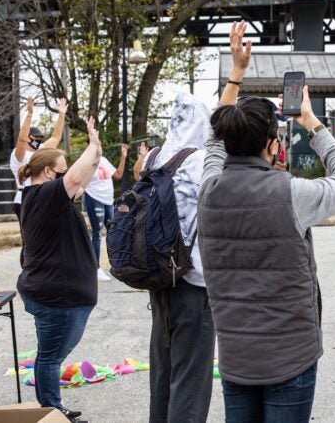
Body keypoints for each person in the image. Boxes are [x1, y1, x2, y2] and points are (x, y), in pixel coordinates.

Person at [198, 21, 335, 422]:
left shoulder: (208, 190)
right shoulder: (292, 194)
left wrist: (236, 73)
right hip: (291, 354)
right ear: (274, 145)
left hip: (235, 354)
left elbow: (214, 139)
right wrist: (312, 122)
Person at [16, 117, 101, 422]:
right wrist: (90, 146)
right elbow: (76, 180)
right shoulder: (44, 195)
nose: (67, 172)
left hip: (56, 292)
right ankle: (52, 411)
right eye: (63, 168)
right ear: (49, 172)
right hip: (57, 296)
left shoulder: (47, 198)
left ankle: (51, 407)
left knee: (50, 355)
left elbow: (83, 179)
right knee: (51, 357)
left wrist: (97, 148)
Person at [143, 93, 215, 423]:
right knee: (190, 380)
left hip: (158, 279)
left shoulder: (154, 157)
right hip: (193, 282)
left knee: (163, 372)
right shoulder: (204, 162)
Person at [10, 97, 68, 219]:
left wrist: (61, 115)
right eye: (35, 137)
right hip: (24, 198)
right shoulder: (19, 154)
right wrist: (30, 114)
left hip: (39, 196)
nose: (38, 139)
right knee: (31, 236)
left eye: (39, 137)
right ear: (28, 137)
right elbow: (21, 139)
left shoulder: (40, 149)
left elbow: (56, 137)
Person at [83, 143, 129, 282]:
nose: (99, 147)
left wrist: (123, 156)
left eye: (100, 145)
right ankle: (95, 269)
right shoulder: (86, 161)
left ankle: (118, 264)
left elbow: (119, 175)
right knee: (97, 233)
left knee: (114, 231)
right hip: (94, 199)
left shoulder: (104, 160)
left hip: (108, 200)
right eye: (96, 145)